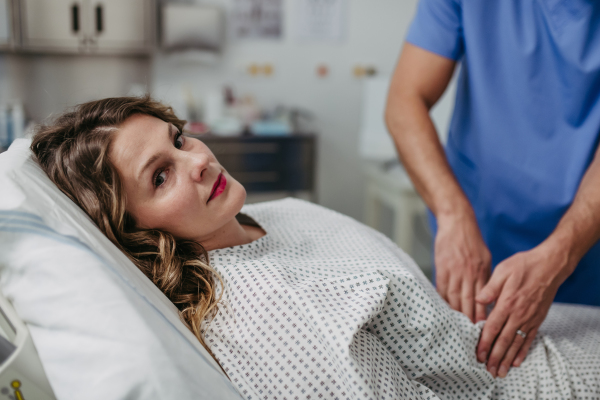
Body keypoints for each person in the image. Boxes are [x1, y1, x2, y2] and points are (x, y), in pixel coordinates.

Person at [29, 97, 600, 399]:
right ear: (133, 233)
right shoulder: (270, 318)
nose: (199, 159)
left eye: (178, 140)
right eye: (161, 176)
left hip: (528, 344)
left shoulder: (272, 215)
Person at [385, 0, 600, 379]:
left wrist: (562, 253)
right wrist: (452, 214)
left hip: (587, 244)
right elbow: (405, 100)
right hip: (477, 233)